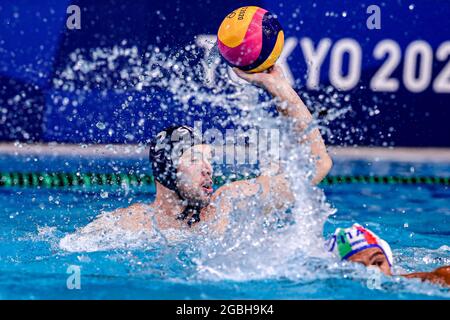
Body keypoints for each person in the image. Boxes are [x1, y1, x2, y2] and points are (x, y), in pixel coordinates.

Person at [60, 65, 332, 241]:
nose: (208, 168)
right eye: (194, 159)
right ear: (166, 170)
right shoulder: (130, 225)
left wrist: (281, 90)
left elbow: (317, 165)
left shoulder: (230, 205)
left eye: (209, 160)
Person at [326, 223, 450, 286]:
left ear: (389, 261)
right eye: (360, 266)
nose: (374, 271)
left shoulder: (408, 283)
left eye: (378, 262)